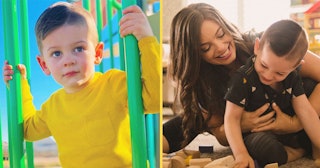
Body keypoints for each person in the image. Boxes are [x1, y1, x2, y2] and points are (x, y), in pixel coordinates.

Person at [3, 2, 160, 168]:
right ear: (44, 65)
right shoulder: (53, 107)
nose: (68, 61)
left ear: (97, 53)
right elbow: (27, 129)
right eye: (56, 53)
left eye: (78, 48)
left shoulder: (113, 83)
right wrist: (18, 87)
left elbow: (155, 99)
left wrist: (146, 40)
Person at [163, 2, 320, 166]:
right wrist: (241, 125)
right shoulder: (210, 83)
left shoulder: (266, 46)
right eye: (206, 48)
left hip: (294, 111)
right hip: (259, 131)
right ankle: (144, 139)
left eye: (221, 34)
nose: (221, 48)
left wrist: (295, 123)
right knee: (193, 121)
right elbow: (222, 136)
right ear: (195, 55)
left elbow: (306, 107)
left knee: (308, 85)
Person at [224, 19, 320, 168]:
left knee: (313, 127)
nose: (268, 75)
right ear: (257, 47)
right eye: (264, 65)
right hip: (258, 133)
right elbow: (231, 119)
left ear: (296, 66)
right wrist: (240, 153)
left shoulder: (293, 76)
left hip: (288, 131)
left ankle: (305, 147)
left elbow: (306, 112)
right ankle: (297, 153)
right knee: (267, 150)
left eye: (280, 73)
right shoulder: (243, 78)